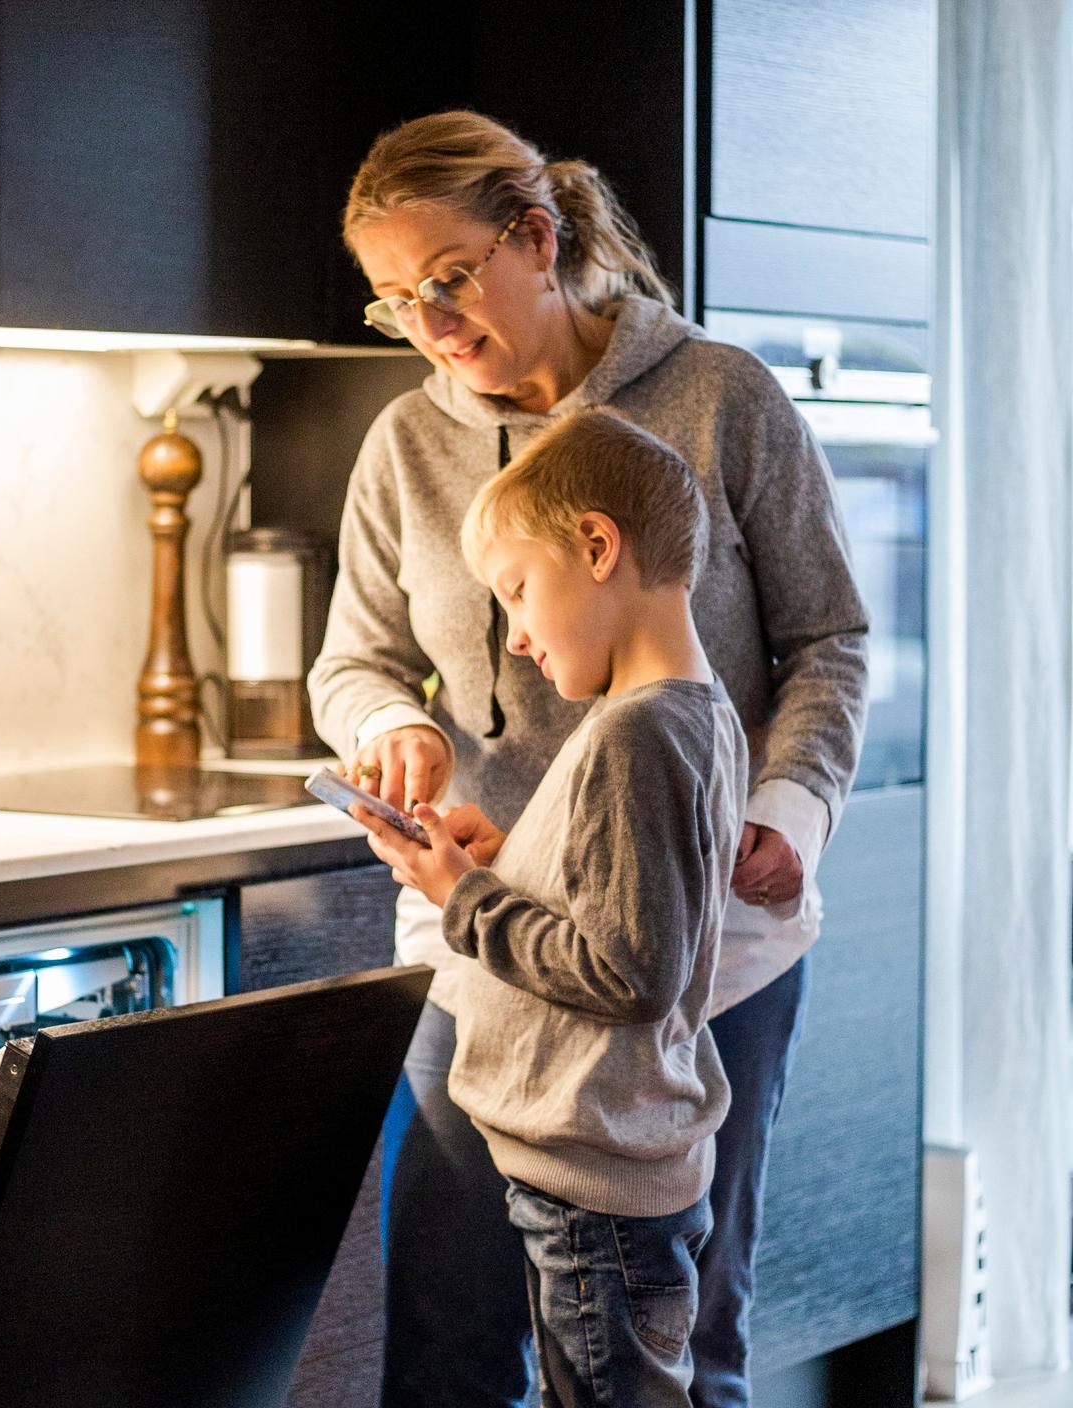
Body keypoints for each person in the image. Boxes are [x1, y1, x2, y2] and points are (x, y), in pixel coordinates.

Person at [307, 110, 869, 1408]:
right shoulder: (407, 446)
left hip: (705, 947)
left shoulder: (721, 396)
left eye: (447, 282)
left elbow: (829, 638)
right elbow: (354, 662)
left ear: (537, 237)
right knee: (447, 1344)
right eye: (398, 305)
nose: (434, 331)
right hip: (485, 946)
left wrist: (789, 809)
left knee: (669, 1343)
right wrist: (391, 723)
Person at [353, 406, 748, 1406]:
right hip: (616, 1172)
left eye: (519, 593)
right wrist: (498, 866)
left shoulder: (635, 735)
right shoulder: (694, 714)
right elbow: (629, 906)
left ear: (597, 545)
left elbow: (624, 971)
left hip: (595, 1187)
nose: (517, 636)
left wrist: (465, 898)